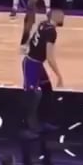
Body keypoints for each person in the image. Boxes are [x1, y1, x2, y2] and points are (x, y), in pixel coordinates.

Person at [21, 9, 65, 138]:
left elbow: (33, 38)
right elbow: (50, 57)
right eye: (62, 16)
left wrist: (28, 47)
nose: (64, 18)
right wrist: (59, 75)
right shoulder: (51, 31)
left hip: (37, 63)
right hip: (31, 64)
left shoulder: (43, 23)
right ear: (55, 17)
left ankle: (44, 121)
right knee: (33, 95)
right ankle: (29, 127)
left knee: (47, 90)